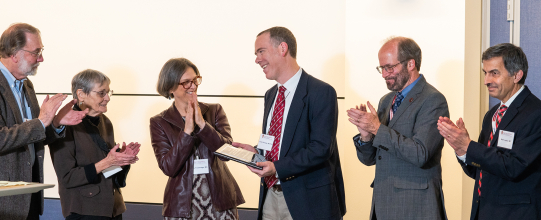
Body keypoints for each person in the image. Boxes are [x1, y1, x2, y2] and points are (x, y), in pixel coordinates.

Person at [0, 23, 87, 220]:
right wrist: (42, 121)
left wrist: (54, 123)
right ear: (14, 54)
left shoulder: (26, 85)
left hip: (27, 197)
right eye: (36, 52)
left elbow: (32, 135)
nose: (41, 58)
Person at [233, 26, 346, 220]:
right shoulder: (270, 95)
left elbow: (320, 148)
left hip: (307, 200)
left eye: (261, 51)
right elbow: (278, 143)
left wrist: (277, 167)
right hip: (270, 197)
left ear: (282, 48)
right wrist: (256, 152)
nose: (257, 59)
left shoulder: (321, 92)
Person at [437, 43, 541, 220]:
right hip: (485, 212)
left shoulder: (536, 114)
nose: (486, 80)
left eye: (494, 73)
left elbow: (514, 167)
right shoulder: (492, 115)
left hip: (518, 215)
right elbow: (480, 171)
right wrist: (461, 150)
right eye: (485, 73)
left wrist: (470, 147)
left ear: (517, 75)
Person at [347, 37, 449, 219]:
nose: (384, 74)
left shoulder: (433, 100)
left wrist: (377, 129)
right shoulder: (386, 101)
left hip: (415, 207)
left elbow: (420, 154)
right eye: (382, 68)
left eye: (389, 67)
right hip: (383, 205)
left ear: (411, 64)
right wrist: (366, 137)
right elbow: (370, 159)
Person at [150, 58, 244, 219]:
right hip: (182, 205)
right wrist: (186, 132)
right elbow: (168, 167)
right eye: (186, 82)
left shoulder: (215, 111)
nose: (193, 86)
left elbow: (227, 153)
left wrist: (202, 124)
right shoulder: (159, 122)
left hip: (220, 202)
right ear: (170, 86)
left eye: (195, 80)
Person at [49, 69, 140, 220]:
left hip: (113, 209)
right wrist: (107, 162)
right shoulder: (64, 126)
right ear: (81, 94)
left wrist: (121, 161)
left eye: (109, 92)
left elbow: (107, 172)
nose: (107, 98)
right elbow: (67, 178)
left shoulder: (106, 122)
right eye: (101, 93)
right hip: (84, 212)